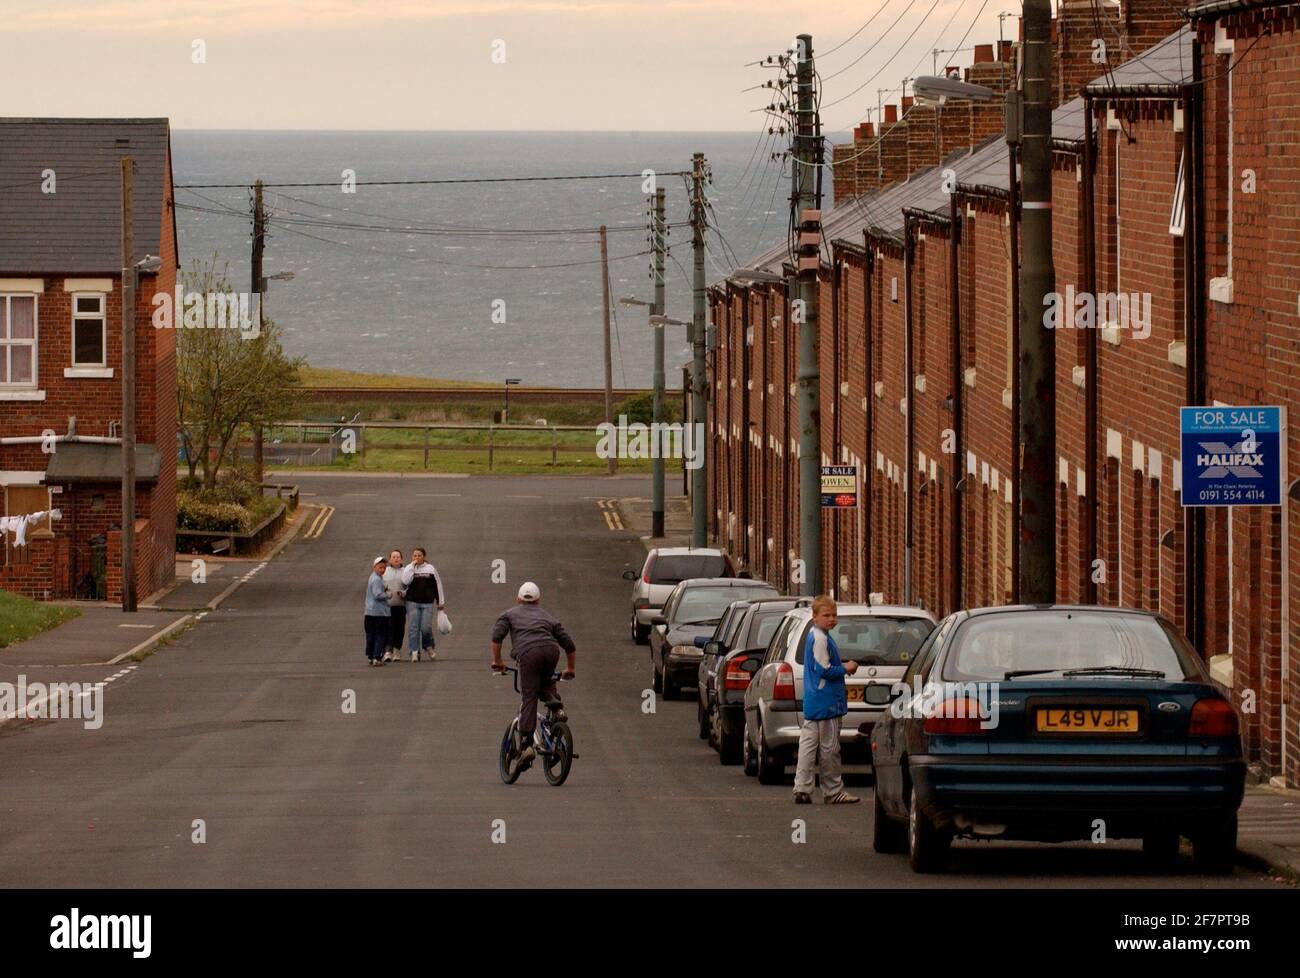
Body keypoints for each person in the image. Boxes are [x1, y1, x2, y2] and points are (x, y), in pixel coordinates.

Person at [490, 582, 576, 770]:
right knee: (546, 684)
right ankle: (557, 709)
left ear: (518, 599)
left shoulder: (509, 614)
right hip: (552, 651)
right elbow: (568, 644)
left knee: (529, 697)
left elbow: (497, 637)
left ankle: (526, 745)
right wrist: (570, 668)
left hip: (529, 654)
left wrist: (497, 661)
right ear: (538, 601)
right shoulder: (548, 616)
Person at [793, 595, 860, 805]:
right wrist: (846, 669)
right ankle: (833, 790)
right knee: (830, 748)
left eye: (834, 615)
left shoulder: (816, 636)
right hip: (826, 701)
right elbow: (824, 670)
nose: (831, 619)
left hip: (814, 701)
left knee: (807, 746)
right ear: (815, 617)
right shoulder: (820, 638)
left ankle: (802, 787)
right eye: (826, 615)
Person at [400, 547, 445, 663]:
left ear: (424, 557)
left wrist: (440, 602)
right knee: (413, 628)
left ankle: (428, 646)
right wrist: (411, 567)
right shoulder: (409, 568)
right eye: (414, 556)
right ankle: (414, 651)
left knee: (426, 627)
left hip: (427, 603)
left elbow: (438, 585)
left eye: (419, 555)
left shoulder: (430, 569)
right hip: (412, 602)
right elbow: (405, 581)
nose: (417, 558)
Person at [363, 556, 391, 667]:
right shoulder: (376, 579)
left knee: (371, 635)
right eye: (380, 567)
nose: (382, 570)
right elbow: (377, 595)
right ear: (374, 567)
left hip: (369, 612)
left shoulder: (373, 577)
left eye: (384, 568)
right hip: (378, 613)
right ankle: (376, 656)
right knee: (380, 635)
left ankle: (370, 655)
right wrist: (388, 595)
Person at [382, 549, 406, 663]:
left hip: (401, 605)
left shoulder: (406, 571)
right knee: (388, 628)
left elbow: (409, 586)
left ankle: (397, 650)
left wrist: (404, 593)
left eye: (398, 557)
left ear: (401, 559)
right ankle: (388, 651)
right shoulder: (385, 571)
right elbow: (379, 585)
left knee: (399, 628)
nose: (396, 559)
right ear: (390, 559)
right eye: (393, 557)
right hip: (387, 605)